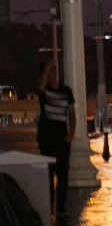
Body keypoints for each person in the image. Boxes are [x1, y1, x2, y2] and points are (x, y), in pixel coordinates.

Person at [36, 60, 75, 216]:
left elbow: (71, 113)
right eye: (49, 71)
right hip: (46, 138)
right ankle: (49, 205)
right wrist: (45, 67)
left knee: (63, 173)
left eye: (54, 71)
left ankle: (60, 206)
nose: (53, 74)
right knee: (48, 175)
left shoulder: (66, 91)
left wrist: (71, 134)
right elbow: (39, 89)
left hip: (62, 138)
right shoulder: (43, 91)